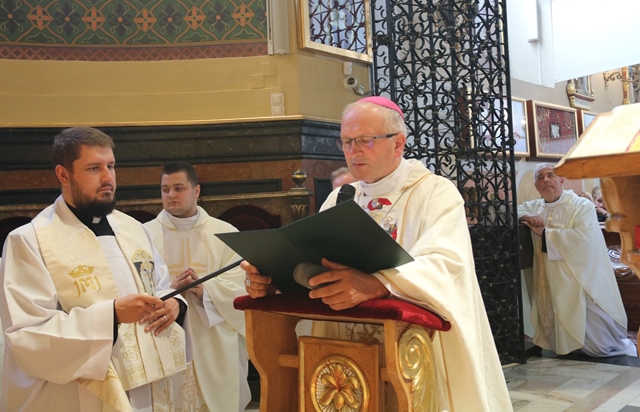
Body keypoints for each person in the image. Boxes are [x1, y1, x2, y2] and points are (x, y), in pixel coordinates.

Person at [241, 96, 512, 411]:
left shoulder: (434, 192)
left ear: (398, 144)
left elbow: (447, 264)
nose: (353, 151)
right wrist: (275, 282)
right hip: (345, 356)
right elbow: (316, 265)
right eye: (346, 142)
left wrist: (378, 283)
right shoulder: (341, 197)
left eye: (365, 140)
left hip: (412, 349)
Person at [0, 127, 192, 411]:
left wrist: (175, 303)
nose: (108, 178)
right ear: (63, 174)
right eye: (94, 168)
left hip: (148, 388)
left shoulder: (134, 230)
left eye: (111, 166)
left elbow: (159, 286)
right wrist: (111, 315)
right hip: (83, 394)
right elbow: (27, 334)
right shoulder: (30, 241)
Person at [144, 162, 251, 412]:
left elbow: (243, 286)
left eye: (179, 188)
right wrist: (167, 291)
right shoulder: (143, 235)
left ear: (196, 191)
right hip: (164, 335)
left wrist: (205, 290)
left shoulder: (224, 233)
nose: (171, 195)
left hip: (212, 340)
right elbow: (133, 285)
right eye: (165, 189)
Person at [518, 164, 635, 357]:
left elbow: (583, 239)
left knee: (598, 344)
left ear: (561, 180)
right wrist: (526, 215)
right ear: (536, 186)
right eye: (540, 178)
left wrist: (545, 233)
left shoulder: (582, 206)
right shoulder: (534, 207)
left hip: (579, 278)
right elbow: (513, 210)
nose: (546, 180)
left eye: (551, 175)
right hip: (550, 278)